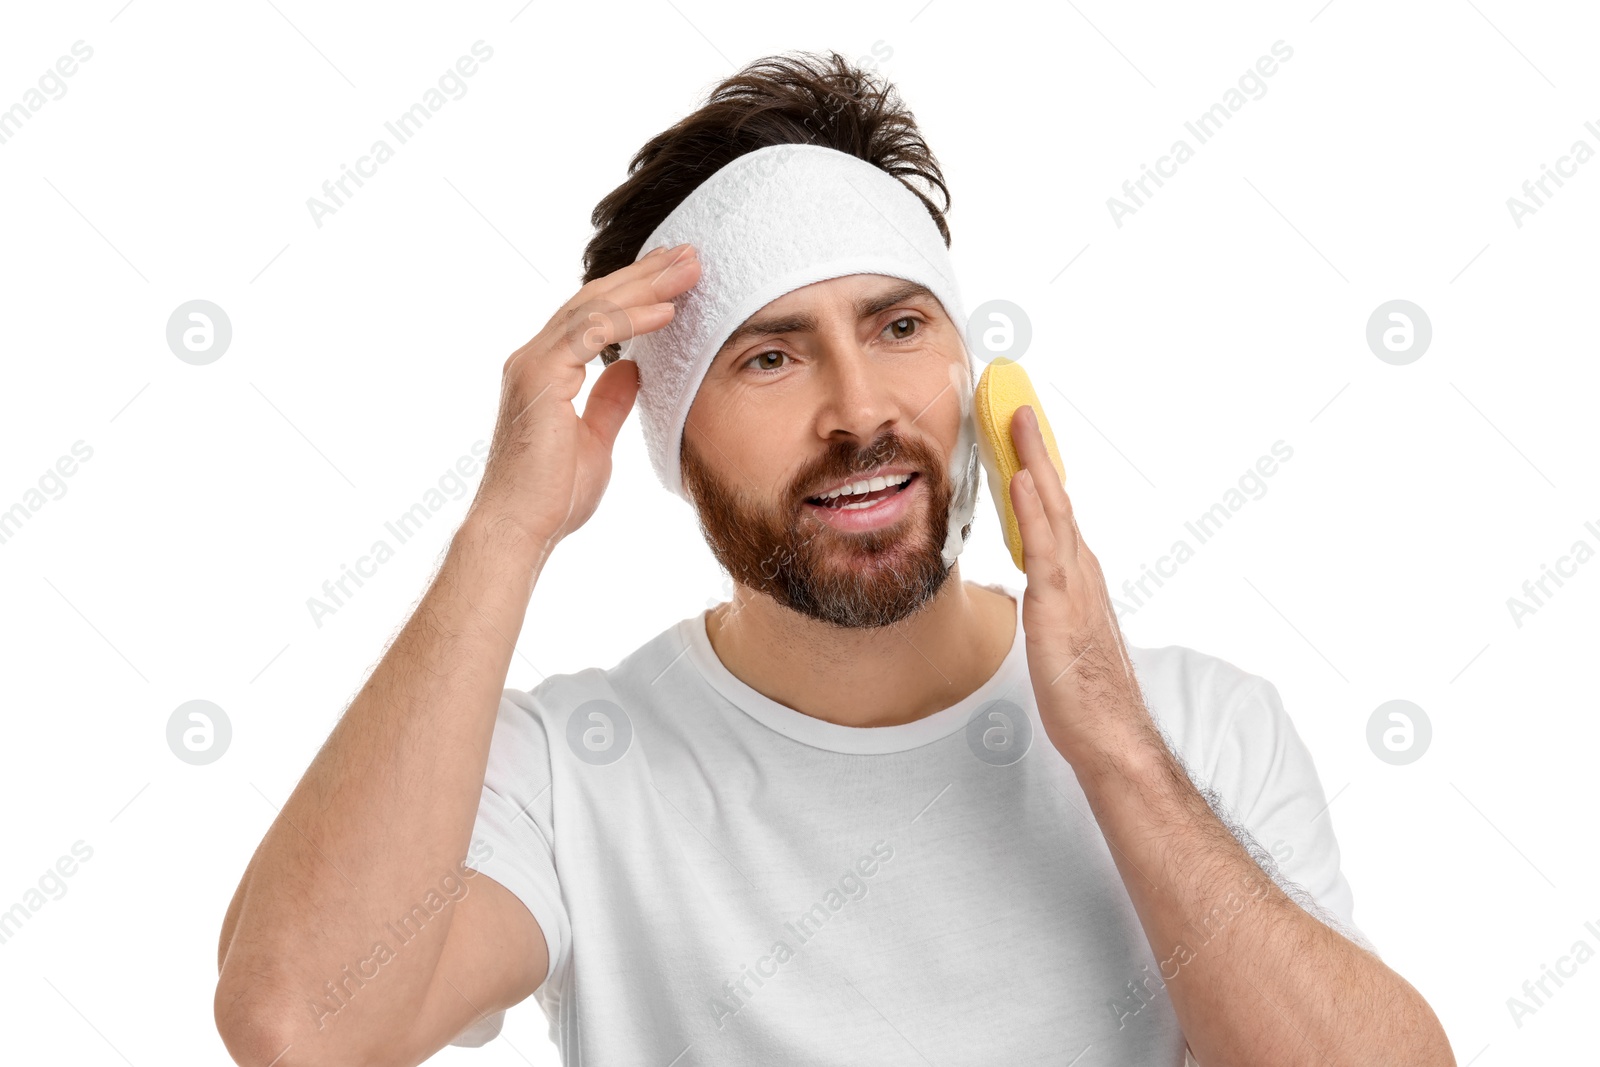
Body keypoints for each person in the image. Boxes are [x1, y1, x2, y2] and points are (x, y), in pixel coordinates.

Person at [214, 51, 1454, 1066]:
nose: (861, 409)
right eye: (771, 354)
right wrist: (505, 530)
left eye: (900, 325)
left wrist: (1115, 753)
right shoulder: (575, 773)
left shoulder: (1193, 726)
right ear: (672, 432)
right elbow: (297, 1024)